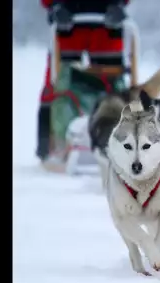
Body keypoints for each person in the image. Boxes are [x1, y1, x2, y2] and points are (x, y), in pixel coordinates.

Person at [35, 0, 132, 162]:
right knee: (59, 84)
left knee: (114, 87)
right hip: (68, 26)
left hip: (107, 29)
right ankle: (50, 146)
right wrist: (54, 6)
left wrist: (119, 4)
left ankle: (123, 142)